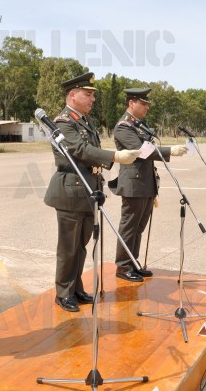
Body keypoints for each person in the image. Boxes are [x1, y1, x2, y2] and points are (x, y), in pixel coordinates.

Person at [44, 72, 141, 312]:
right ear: (72, 95)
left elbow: (89, 150)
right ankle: (63, 292)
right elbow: (79, 149)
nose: (92, 99)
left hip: (88, 191)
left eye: (93, 95)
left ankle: (75, 288)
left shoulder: (85, 121)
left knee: (81, 246)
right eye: (88, 94)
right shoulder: (64, 122)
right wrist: (114, 156)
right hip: (71, 191)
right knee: (68, 248)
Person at [110, 88, 188, 282]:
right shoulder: (123, 127)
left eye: (147, 104)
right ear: (131, 103)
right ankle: (123, 266)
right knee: (129, 227)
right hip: (133, 184)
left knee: (139, 227)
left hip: (145, 183)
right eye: (143, 104)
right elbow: (142, 151)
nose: (146, 107)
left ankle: (133, 263)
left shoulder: (138, 125)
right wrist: (170, 150)